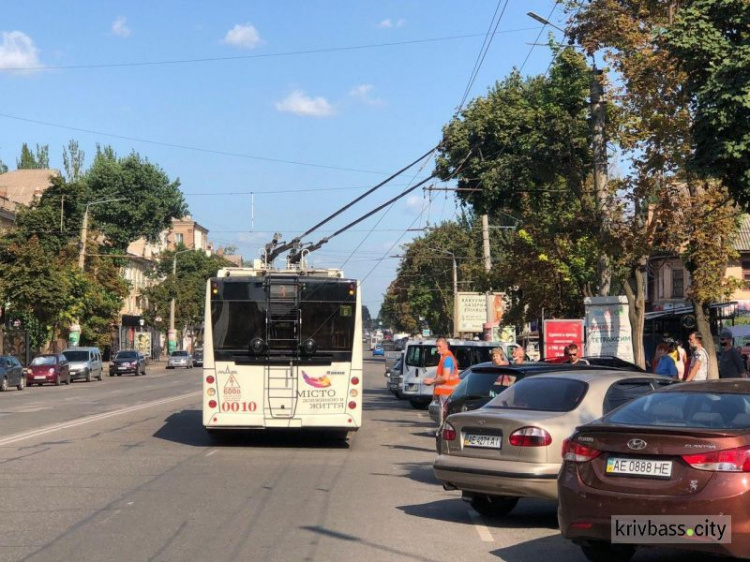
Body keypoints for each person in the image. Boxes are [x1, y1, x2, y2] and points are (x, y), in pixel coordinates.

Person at [423, 337, 459, 424]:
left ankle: (443, 434)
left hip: (447, 394)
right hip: (447, 394)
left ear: (446, 346)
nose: (437, 348)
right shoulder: (445, 358)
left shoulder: (447, 359)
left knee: (444, 416)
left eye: (440, 346)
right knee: (445, 416)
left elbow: (445, 378)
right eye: (436, 346)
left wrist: (432, 381)